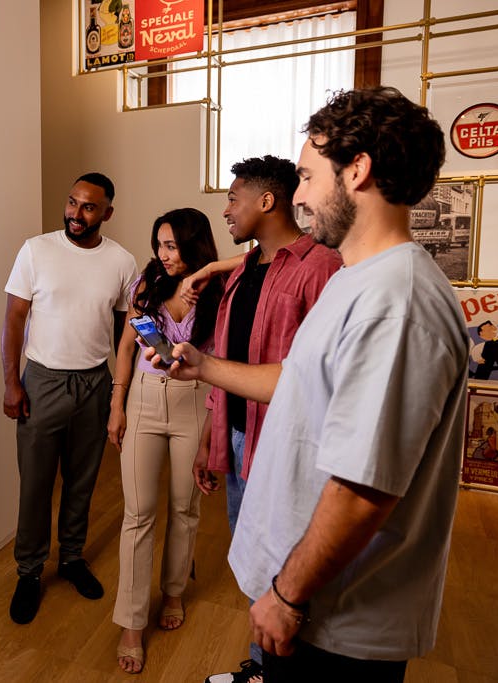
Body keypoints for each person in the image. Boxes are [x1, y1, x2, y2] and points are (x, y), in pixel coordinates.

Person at [154, 87, 468, 682]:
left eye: (305, 176)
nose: (295, 195)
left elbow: (362, 488)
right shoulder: (359, 278)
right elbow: (298, 381)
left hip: (334, 617)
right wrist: (203, 365)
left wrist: (288, 596)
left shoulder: (395, 304)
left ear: (358, 170)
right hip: (311, 600)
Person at [190, 156, 341, 683]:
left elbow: (317, 375)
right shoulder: (247, 268)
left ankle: (278, 669)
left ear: (266, 201)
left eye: (233, 198)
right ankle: (262, 667)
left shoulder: (321, 267)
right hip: (235, 436)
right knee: (254, 560)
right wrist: (212, 441)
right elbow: (230, 357)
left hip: (279, 446)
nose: (226, 209)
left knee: (285, 569)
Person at [2, 172, 139, 625]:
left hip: (94, 385)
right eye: (72, 203)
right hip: (42, 381)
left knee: (83, 481)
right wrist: (12, 382)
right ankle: (29, 571)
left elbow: (126, 333)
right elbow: (14, 321)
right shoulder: (36, 250)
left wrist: (124, 390)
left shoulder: (121, 262)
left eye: (88, 207)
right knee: (36, 484)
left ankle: (72, 558)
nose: (75, 214)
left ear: (107, 213)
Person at [108, 208, 223, 673]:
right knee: (137, 514)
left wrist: (213, 268)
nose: (163, 254)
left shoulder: (219, 288)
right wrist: (116, 405)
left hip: (196, 401)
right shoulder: (146, 282)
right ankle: (132, 622)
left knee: (184, 507)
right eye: (159, 244)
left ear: (195, 246)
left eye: (172, 245)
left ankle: (173, 592)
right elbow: (124, 343)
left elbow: (254, 258)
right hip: (143, 399)